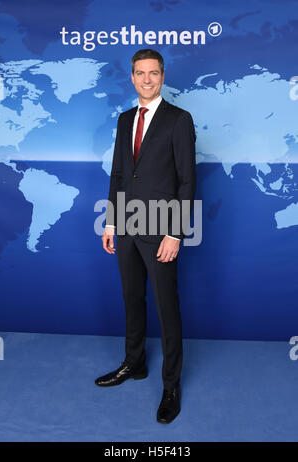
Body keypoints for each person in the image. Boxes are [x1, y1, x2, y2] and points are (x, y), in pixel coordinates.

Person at [95, 49, 197, 424]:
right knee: (131, 299)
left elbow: (187, 180)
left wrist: (175, 232)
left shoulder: (179, 120)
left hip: (161, 228)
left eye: (154, 73)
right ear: (132, 77)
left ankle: (171, 385)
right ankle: (134, 364)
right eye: (141, 73)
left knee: (166, 308)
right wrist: (110, 223)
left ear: (163, 76)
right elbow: (120, 174)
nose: (147, 79)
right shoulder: (124, 120)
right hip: (127, 228)